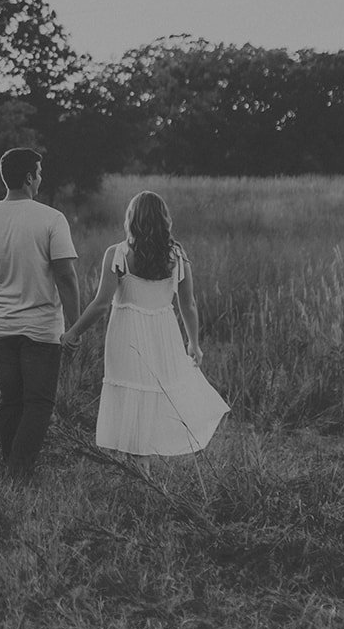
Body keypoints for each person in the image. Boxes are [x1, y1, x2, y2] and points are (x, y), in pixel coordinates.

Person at [63, 190, 228, 468]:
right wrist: (193, 343)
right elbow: (189, 304)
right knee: (152, 392)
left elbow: (102, 304)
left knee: (133, 393)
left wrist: (73, 332)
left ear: (131, 219)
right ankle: (141, 467)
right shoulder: (177, 254)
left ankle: (140, 469)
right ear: (164, 220)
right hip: (163, 333)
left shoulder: (117, 254)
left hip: (127, 334)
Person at [0, 147, 80, 478]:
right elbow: (66, 277)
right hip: (41, 329)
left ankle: (9, 466)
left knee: (11, 402)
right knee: (38, 403)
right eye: (39, 174)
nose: (41, 179)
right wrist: (75, 327)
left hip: (2, 329)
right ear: (29, 178)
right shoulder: (51, 219)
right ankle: (18, 471)